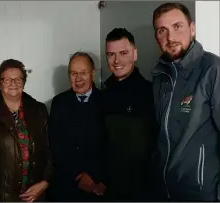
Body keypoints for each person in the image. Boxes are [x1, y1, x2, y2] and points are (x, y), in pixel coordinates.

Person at [151, 2, 220, 201]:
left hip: (201, 193)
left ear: (192, 28)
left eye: (177, 26)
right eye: (162, 30)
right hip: (165, 192)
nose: (170, 37)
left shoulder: (212, 68)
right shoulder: (159, 76)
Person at [0, 59, 53, 202]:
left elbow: (51, 149)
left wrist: (45, 182)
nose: (13, 84)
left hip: (36, 195)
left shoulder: (39, 110)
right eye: (7, 80)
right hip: (2, 197)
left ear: (24, 82)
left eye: (18, 79)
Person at [101, 28, 157, 201]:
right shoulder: (103, 93)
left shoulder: (150, 93)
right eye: (111, 54)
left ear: (135, 54)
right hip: (107, 189)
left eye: (123, 53)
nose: (117, 60)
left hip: (141, 190)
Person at [47, 52, 107, 202]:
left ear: (93, 73)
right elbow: (54, 145)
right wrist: (77, 175)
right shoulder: (58, 103)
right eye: (73, 73)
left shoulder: (106, 101)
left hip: (97, 186)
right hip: (65, 186)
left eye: (83, 73)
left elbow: (111, 146)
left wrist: (93, 177)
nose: (78, 78)